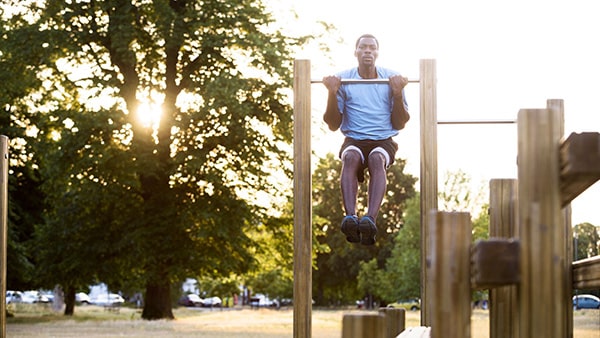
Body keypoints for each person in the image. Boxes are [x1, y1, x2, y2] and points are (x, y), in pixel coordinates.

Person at [322, 33, 410, 245]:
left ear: (377, 53)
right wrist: (332, 94)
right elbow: (333, 124)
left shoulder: (392, 79)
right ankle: (350, 216)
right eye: (363, 47)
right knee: (350, 157)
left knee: (376, 159)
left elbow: (400, 123)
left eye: (372, 47)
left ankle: (370, 219)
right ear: (356, 52)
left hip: (383, 139)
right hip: (354, 138)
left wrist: (397, 95)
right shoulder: (344, 79)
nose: (368, 51)